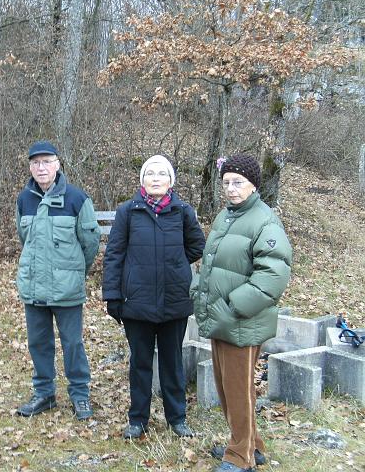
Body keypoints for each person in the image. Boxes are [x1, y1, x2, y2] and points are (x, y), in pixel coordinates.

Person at [193, 154, 292, 472]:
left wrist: (232, 307)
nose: (232, 189)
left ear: (253, 185)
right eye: (226, 183)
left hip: (241, 320)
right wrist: (201, 294)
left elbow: (272, 277)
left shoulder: (264, 220)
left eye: (238, 182)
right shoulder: (227, 216)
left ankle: (239, 457)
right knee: (229, 386)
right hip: (222, 318)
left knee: (237, 388)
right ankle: (253, 445)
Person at [102, 155, 205, 439]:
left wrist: (173, 263)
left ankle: (177, 418)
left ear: (171, 181)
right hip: (137, 302)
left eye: (162, 174)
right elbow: (114, 255)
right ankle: (138, 420)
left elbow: (198, 245)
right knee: (140, 363)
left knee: (172, 362)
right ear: (142, 181)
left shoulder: (183, 211)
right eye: (150, 173)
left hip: (174, 301)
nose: (156, 178)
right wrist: (112, 295)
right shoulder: (128, 211)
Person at [15, 140, 101, 420]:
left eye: (47, 162)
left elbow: (90, 243)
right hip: (34, 287)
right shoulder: (24, 199)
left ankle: (80, 395)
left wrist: (74, 272)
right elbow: (24, 238)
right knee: (38, 343)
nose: (41, 168)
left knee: (73, 343)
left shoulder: (77, 199)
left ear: (57, 164)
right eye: (36, 163)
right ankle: (44, 394)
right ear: (30, 167)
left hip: (67, 290)